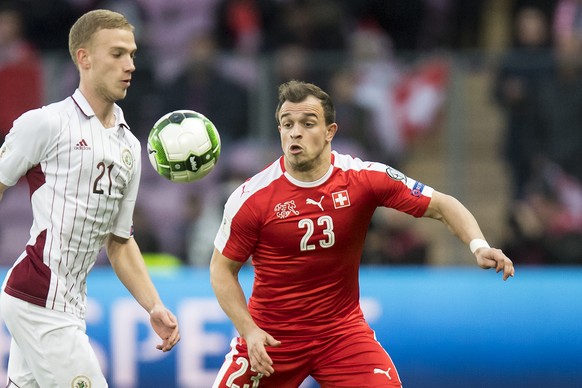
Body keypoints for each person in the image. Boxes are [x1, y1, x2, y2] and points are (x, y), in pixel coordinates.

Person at [210, 80, 515, 387]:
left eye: (307, 123)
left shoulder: (363, 179)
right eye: (287, 124)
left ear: (330, 132)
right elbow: (222, 270)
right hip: (271, 338)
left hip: (340, 335)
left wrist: (478, 246)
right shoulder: (251, 198)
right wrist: (248, 330)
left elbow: (442, 205)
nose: (295, 132)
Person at [0, 9, 180, 387]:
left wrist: (154, 304)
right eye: (117, 54)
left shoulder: (129, 145)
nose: (130, 64)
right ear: (84, 58)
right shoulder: (46, 124)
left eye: (132, 54)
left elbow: (119, 240)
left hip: (69, 303)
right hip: (39, 296)